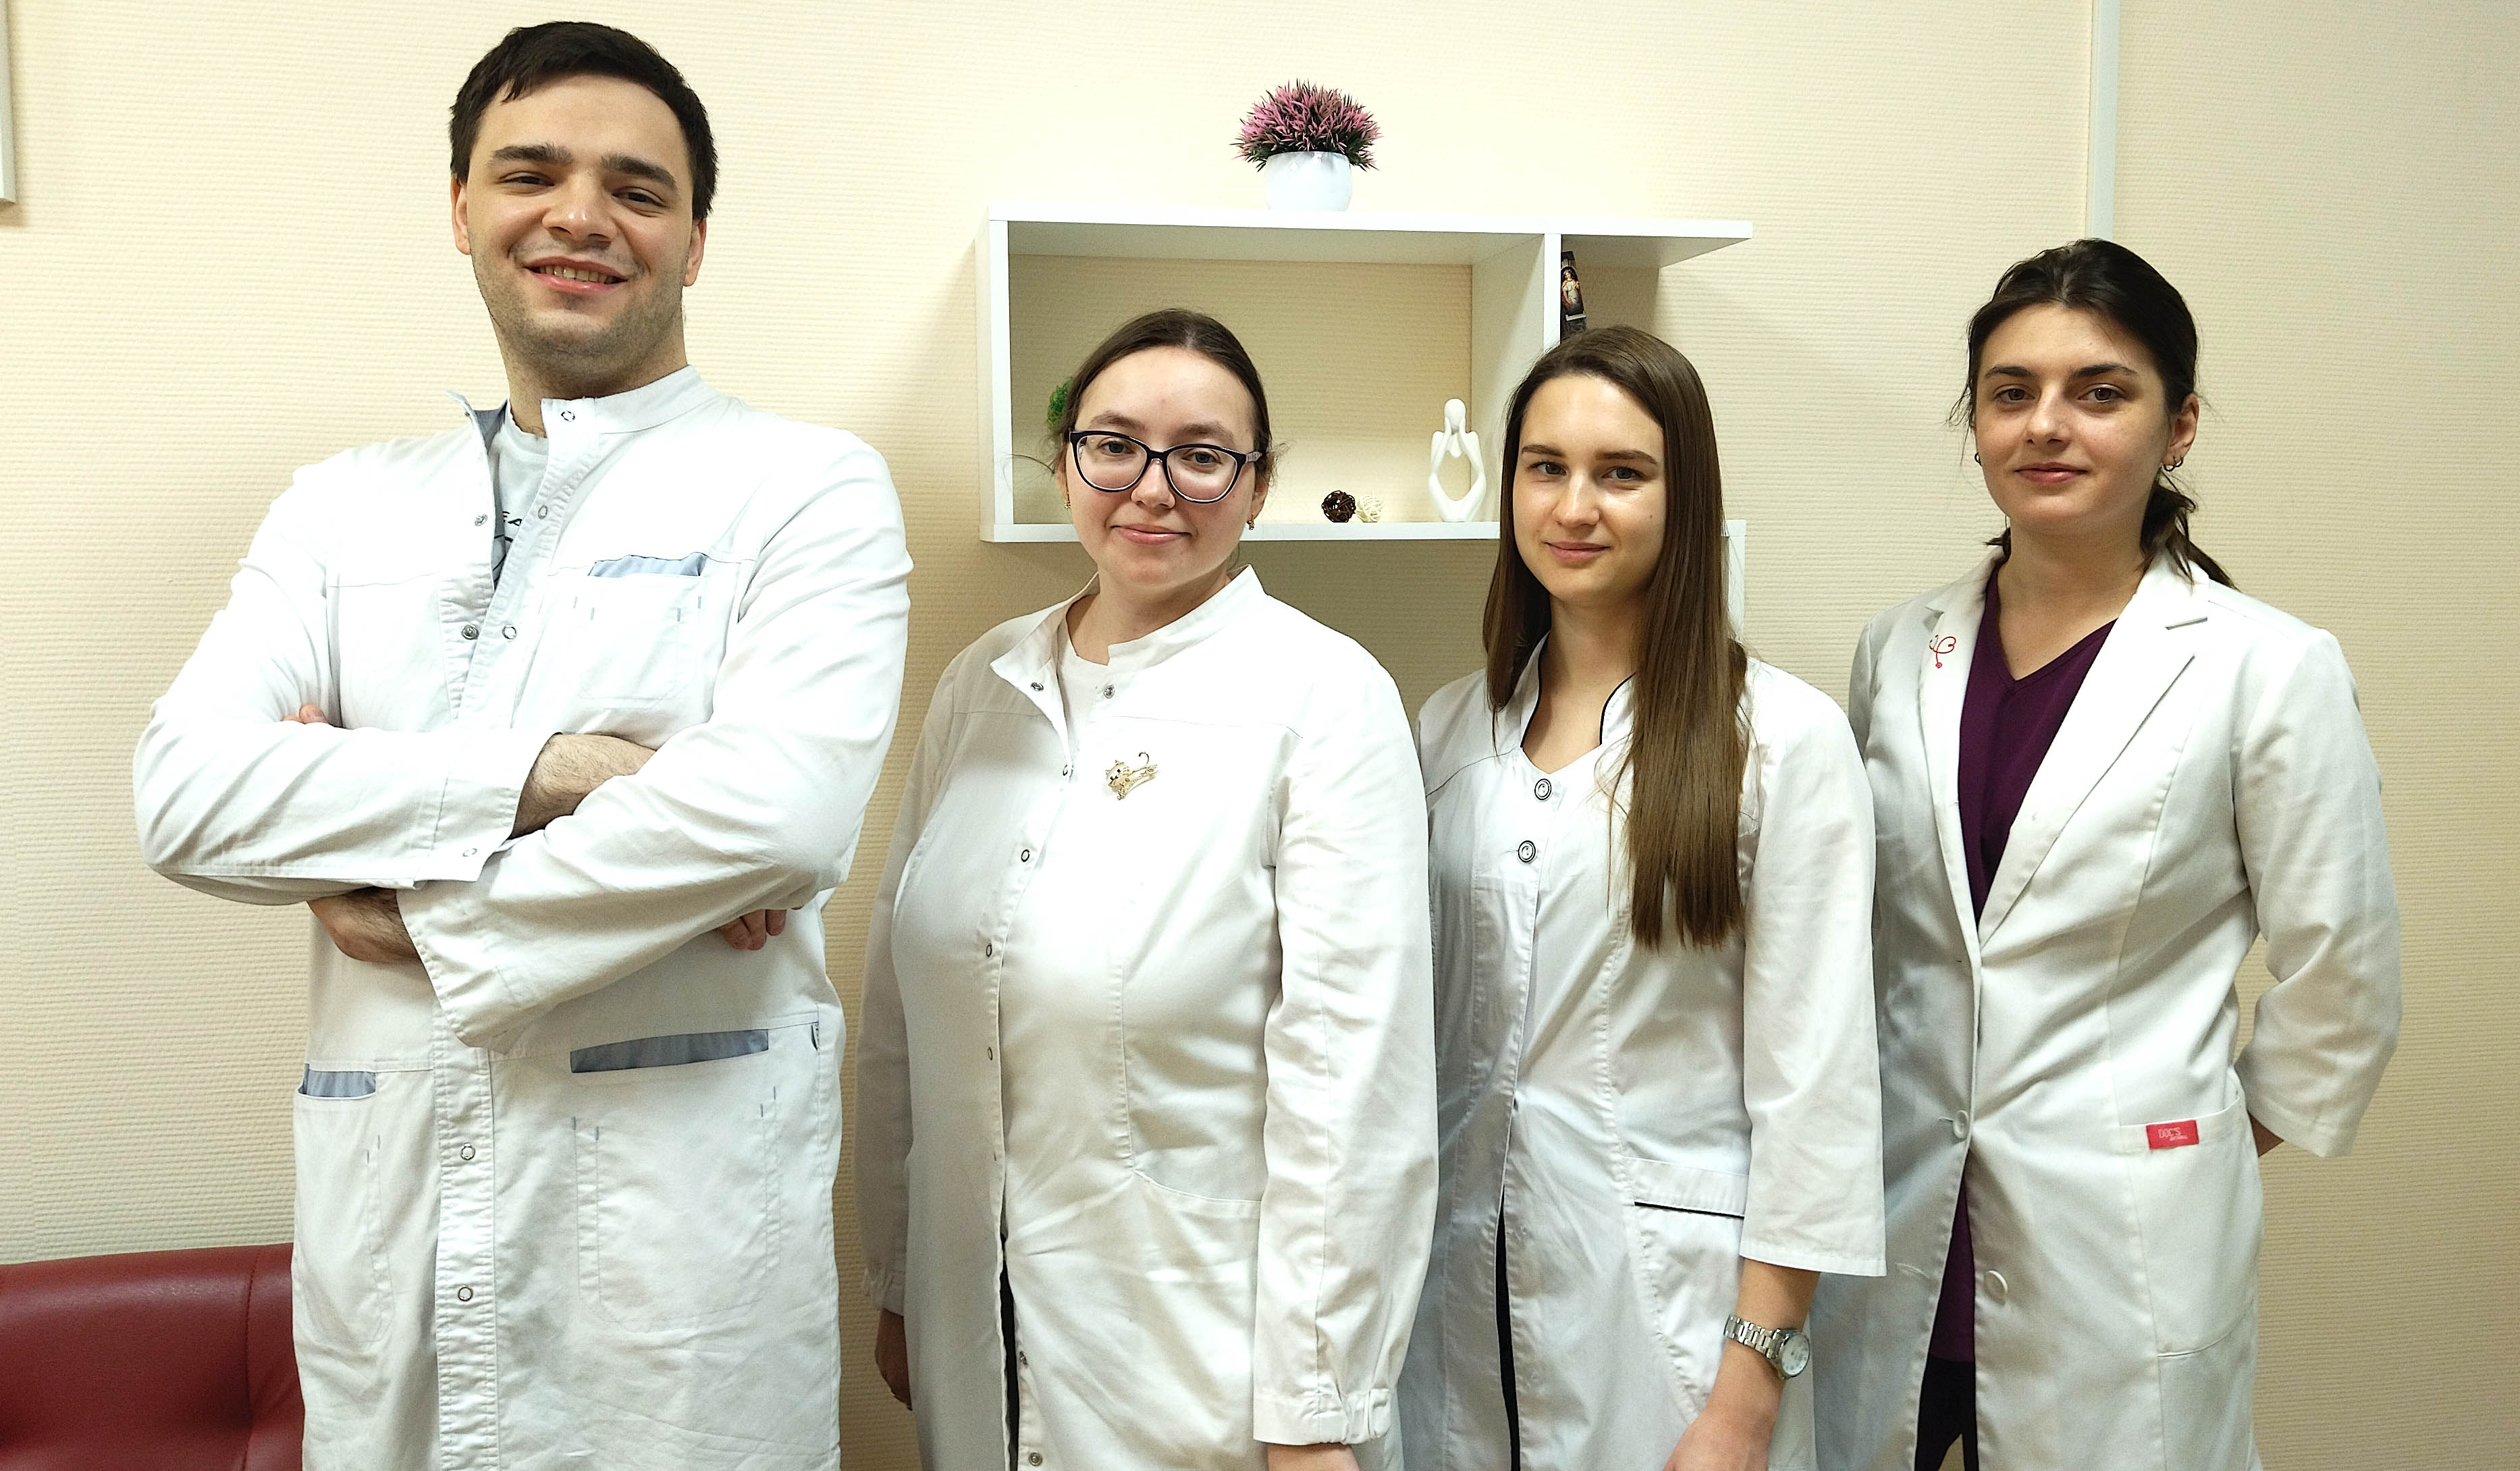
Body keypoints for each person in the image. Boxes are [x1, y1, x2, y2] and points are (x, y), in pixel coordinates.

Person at [132, 22, 910, 1470]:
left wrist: (389, 888)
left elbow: (776, 819)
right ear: (461, 210)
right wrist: (568, 776)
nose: (579, 216)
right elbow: (183, 795)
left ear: (694, 242)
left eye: (636, 188)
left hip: (677, 1272)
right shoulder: (340, 506)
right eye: (529, 174)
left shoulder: (804, 487)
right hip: (394, 1234)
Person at [1809, 240, 2402, 1471]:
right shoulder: (1897, 647)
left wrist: (2185, 1142)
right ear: (1974, 424)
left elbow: (2343, 983)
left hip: (2120, 1239)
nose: (2046, 424)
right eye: (2010, 392)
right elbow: (1875, 936)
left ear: (2177, 426)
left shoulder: (2266, 666)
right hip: (1898, 1214)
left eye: (2099, 391)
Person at [855, 309, 1435, 1471]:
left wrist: (1314, 1409)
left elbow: (1353, 1086)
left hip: (1208, 1366)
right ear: (1065, 461)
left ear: (1257, 486)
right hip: (977, 1332)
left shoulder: (1322, 697)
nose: (1152, 488)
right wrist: (901, 1278)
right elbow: (902, 1013)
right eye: (1114, 445)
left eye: (1202, 455)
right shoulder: (983, 682)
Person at [1399, 327, 1883, 1471]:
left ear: (1684, 496)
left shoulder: (1781, 739)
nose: (1574, 507)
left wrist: (1747, 1394)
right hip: (1451, 1299)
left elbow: (1814, 1090)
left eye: (1621, 473)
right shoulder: (1446, 729)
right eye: (1544, 467)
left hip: (1674, 1324)